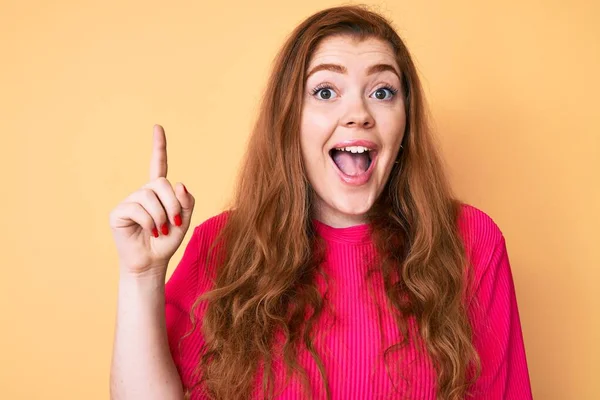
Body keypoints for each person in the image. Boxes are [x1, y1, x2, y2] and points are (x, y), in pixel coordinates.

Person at [109, 5, 532, 400]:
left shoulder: (471, 241)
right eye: (326, 91)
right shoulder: (220, 245)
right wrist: (141, 274)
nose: (359, 113)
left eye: (383, 92)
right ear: (289, 121)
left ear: (406, 124)